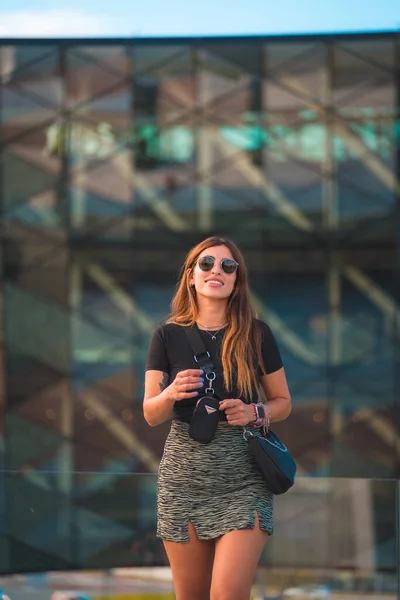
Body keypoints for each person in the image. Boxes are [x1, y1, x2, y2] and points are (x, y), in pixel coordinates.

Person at [144, 236, 291, 600]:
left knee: (228, 593)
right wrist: (171, 393)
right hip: (184, 479)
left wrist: (255, 412)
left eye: (228, 266)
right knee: (191, 595)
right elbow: (150, 412)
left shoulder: (257, 334)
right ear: (191, 276)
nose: (217, 271)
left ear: (236, 281)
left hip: (243, 477)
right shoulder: (166, 335)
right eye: (206, 264)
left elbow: (283, 402)